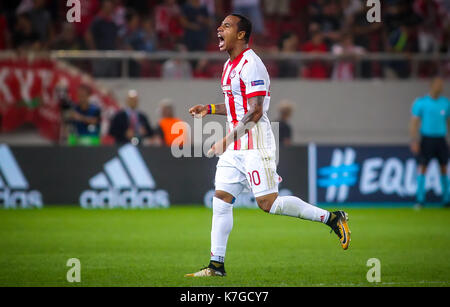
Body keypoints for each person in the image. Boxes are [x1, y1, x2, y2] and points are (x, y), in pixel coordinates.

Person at [186, 14, 351, 277]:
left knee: (268, 204)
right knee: (221, 200)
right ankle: (216, 265)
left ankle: (332, 218)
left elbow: (254, 112)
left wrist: (225, 140)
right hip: (234, 147)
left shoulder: (252, 65)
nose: (220, 28)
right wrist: (208, 108)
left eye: (227, 26)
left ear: (241, 34)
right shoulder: (230, 65)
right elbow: (234, 108)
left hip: (255, 142)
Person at [410, 77, 450, 209]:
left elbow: (448, 122)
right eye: (438, 83)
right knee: (423, 167)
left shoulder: (446, 103)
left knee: (444, 168)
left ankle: (446, 199)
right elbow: (414, 123)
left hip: (441, 139)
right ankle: (420, 199)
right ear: (431, 85)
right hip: (427, 139)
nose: (440, 86)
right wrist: (414, 139)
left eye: (441, 84)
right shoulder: (421, 103)